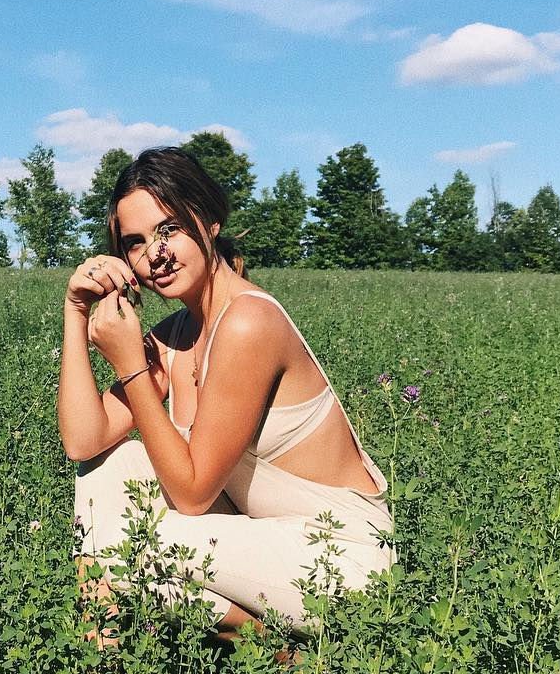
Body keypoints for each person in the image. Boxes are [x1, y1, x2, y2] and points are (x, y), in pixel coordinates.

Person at [58, 147, 393, 647]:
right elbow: (83, 441)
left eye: (169, 228)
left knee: (126, 542)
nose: (155, 254)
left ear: (210, 221)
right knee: (109, 468)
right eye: (136, 242)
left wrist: (131, 366)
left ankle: (272, 652)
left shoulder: (248, 322)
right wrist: (75, 311)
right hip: (262, 540)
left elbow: (193, 496)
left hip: (338, 557)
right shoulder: (177, 334)